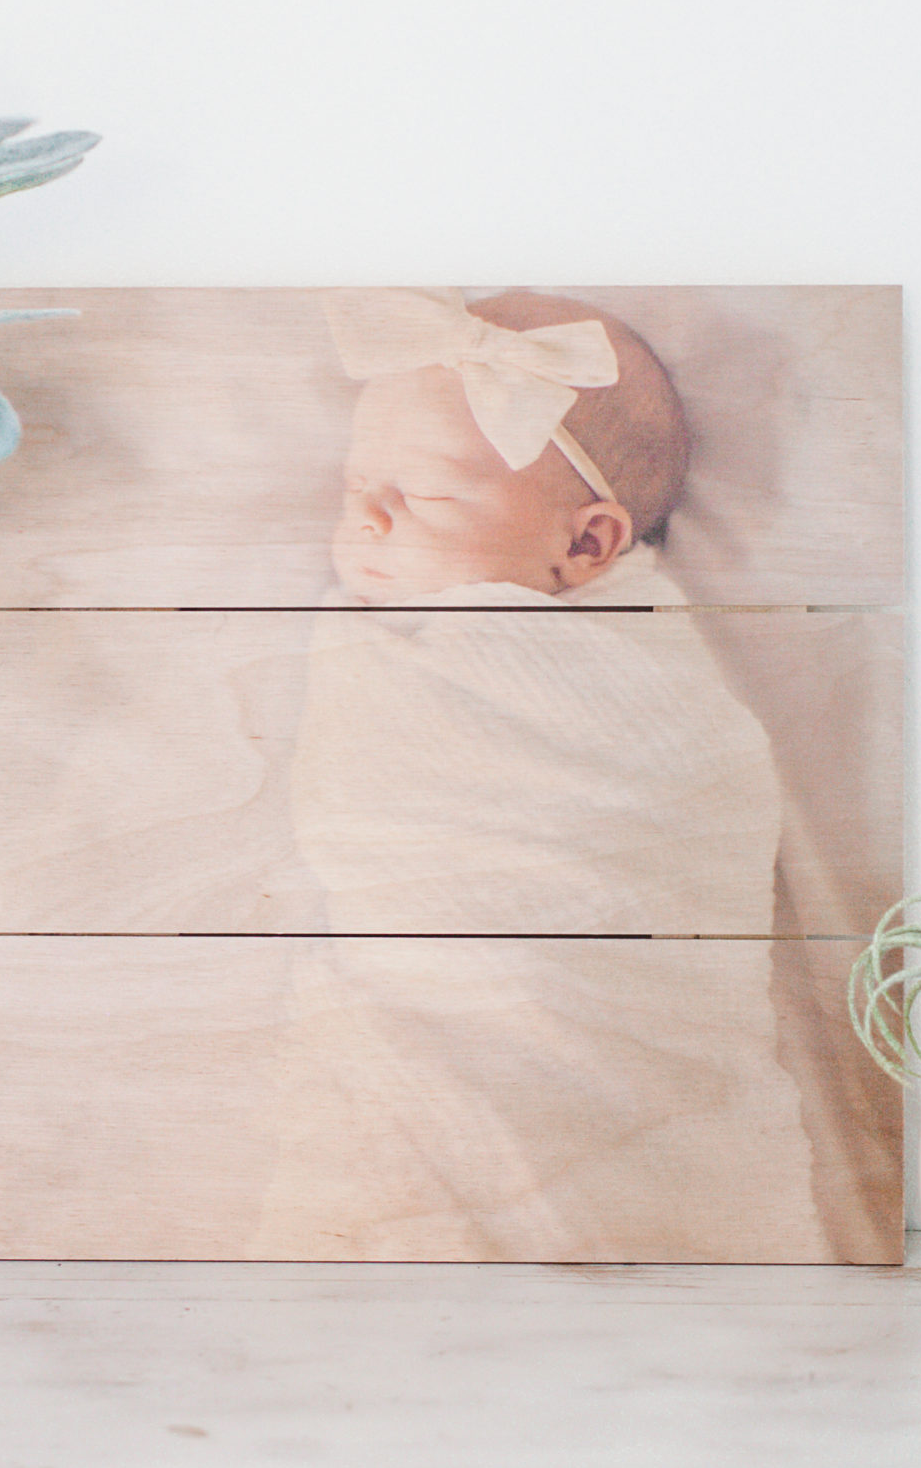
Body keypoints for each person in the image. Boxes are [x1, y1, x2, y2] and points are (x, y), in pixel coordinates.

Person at [247, 288, 830, 1259]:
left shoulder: (648, 686)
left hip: (623, 1059)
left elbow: (692, 792)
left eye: (428, 495)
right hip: (410, 1039)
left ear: (588, 544)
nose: (369, 519)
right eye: (357, 487)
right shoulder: (380, 656)